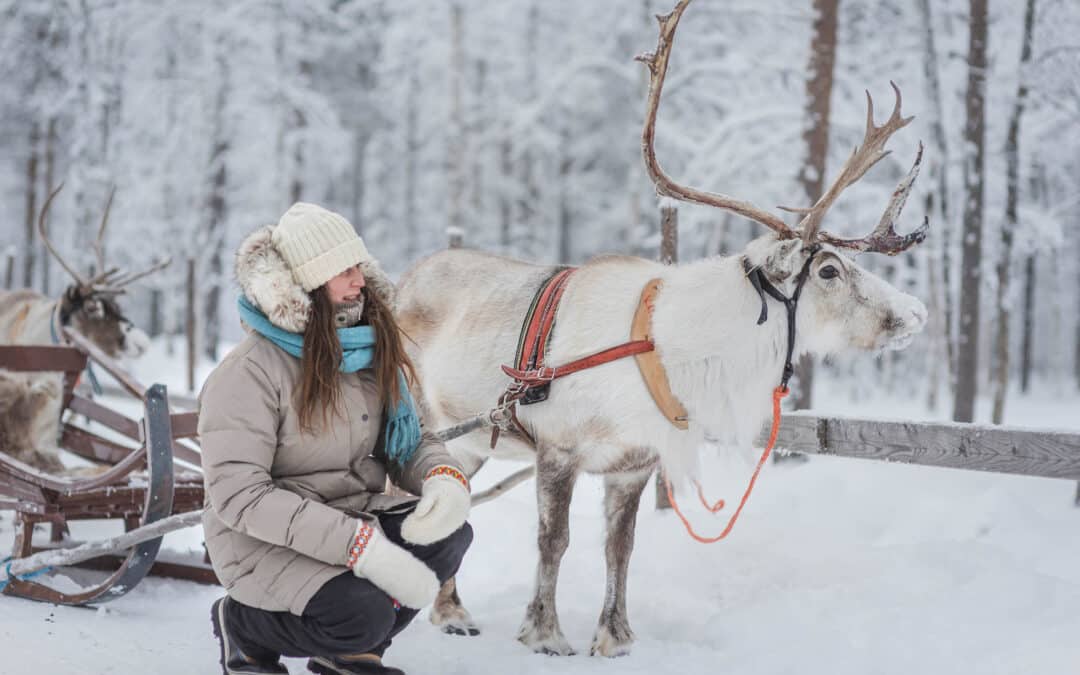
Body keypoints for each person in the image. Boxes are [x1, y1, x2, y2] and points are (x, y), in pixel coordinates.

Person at [199, 202, 473, 675]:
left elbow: (406, 442)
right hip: (260, 540)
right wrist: (359, 548)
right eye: (344, 270)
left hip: (346, 516)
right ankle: (242, 625)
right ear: (308, 282)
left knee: (448, 535)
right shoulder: (249, 373)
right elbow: (241, 497)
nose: (360, 280)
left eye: (359, 267)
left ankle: (351, 652)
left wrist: (442, 477)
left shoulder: (363, 349)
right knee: (362, 611)